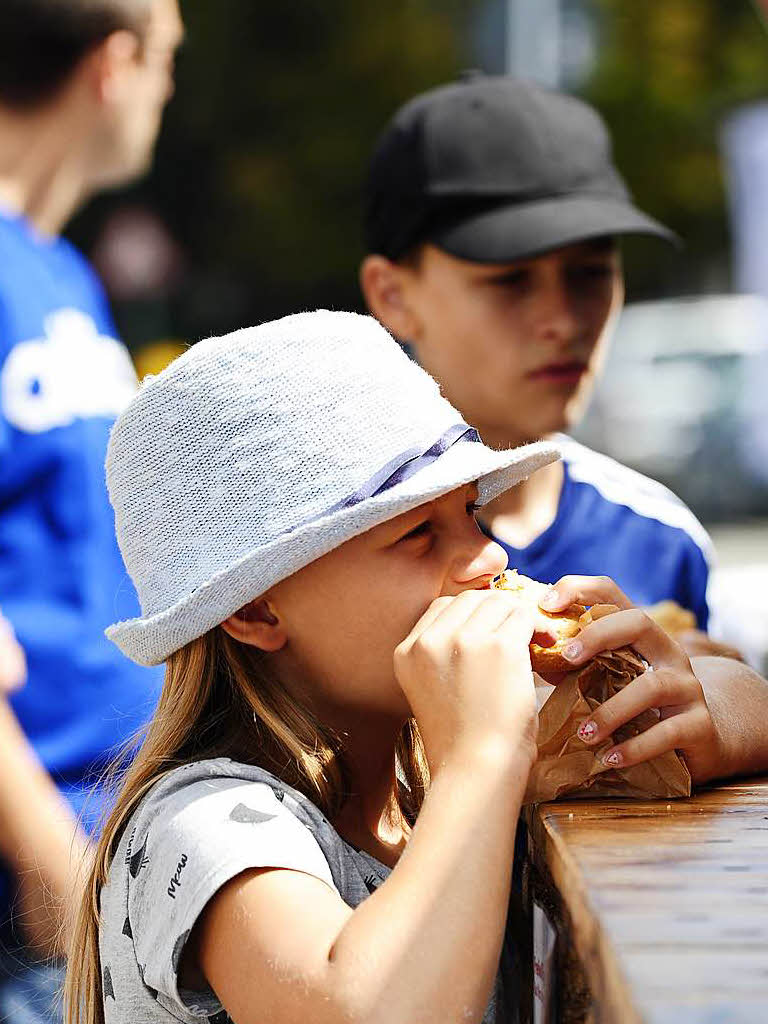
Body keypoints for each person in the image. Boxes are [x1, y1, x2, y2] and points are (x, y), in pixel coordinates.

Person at [63, 310, 768, 1024]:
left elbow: (744, 693)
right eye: (418, 534)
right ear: (258, 613)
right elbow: (363, 1007)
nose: (490, 557)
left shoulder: (432, 767)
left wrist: (694, 719)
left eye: (471, 513)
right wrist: (483, 757)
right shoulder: (202, 820)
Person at [360, 75, 718, 643]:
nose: (564, 320)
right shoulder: (318, 556)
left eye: (590, 274)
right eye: (510, 281)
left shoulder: (660, 538)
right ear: (392, 294)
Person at [0, 0, 184, 1016]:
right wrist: (55, 876)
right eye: (167, 61)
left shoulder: (60, 272)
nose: (168, 93)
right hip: (44, 915)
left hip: (114, 863)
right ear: (115, 64)